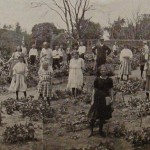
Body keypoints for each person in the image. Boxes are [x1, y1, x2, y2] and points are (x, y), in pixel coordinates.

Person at [88, 65, 114, 137]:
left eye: (105, 70)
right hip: (97, 99)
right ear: (99, 71)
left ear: (107, 71)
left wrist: (112, 98)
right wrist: (92, 100)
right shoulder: (97, 79)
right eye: (102, 70)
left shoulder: (109, 80)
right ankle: (91, 131)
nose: (103, 71)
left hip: (105, 99)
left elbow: (111, 90)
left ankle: (100, 130)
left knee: (102, 116)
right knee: (93, 115)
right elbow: (94, 90)